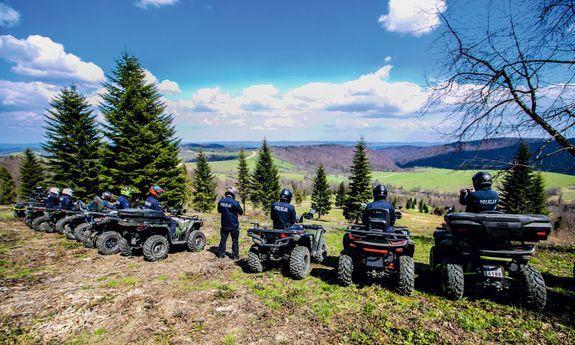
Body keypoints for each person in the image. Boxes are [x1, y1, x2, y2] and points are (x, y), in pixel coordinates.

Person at [217, 187, 244, 260]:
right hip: (234, 226)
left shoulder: (221, 201)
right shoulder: (235, 203)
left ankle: (221, 255)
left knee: (223, 239)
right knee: (235, 241)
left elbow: (219, 211)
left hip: (224, 225)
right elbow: (241, 212)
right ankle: (235, 256)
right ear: (233, 194)